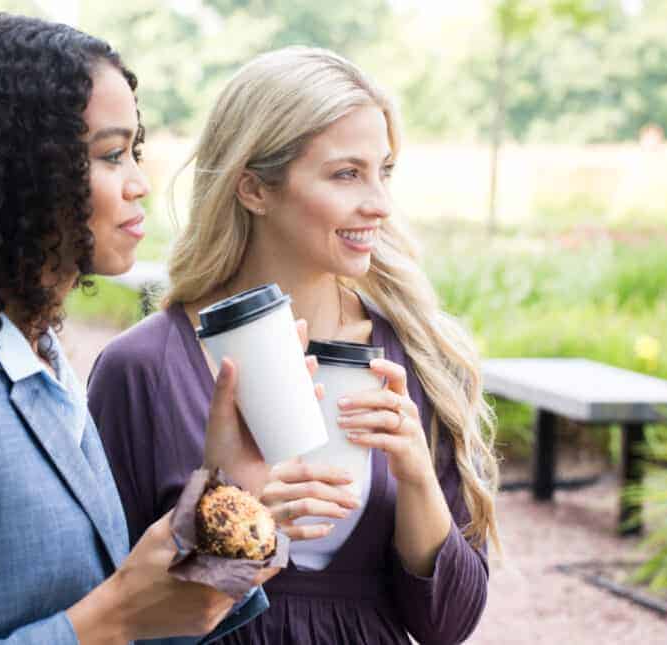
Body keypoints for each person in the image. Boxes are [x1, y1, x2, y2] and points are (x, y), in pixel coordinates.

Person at [87, 46, 499, 645]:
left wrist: (415, 477)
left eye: (383, 171)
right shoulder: (143, 369)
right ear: (254, 188)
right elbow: (111, 612)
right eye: (345, 173)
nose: (379, 204)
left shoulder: (420, 358)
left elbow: (448, 625)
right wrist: (238, 521)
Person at [0, 13, 286, 644]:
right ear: (20, 171)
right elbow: (116, 619)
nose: (139, 184)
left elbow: (149, 625)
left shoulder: (43, 362)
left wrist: (232, 494)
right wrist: (112, 612)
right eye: (111, 155)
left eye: (136, 152)